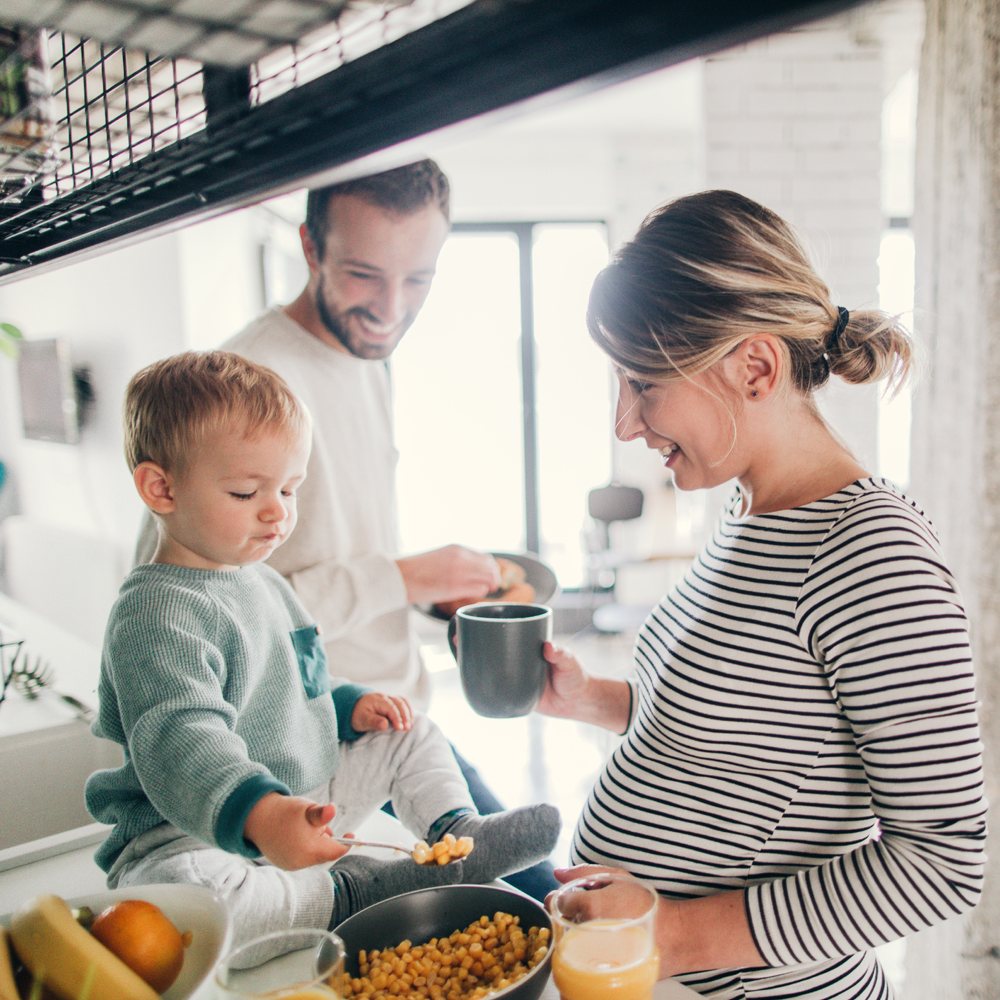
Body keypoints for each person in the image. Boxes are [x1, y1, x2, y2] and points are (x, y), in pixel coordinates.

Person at [537, 190, 987, 998]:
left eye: (643, 384)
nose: (625, 424)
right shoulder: (748, 510)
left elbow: (943, 861)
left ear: (755, 366)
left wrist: (668, 935)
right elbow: (743, 738)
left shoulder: (872, 552)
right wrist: (591, 699)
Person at [87, 350, 560, 960]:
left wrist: (348, 705)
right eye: (244, 491)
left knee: (411, 731)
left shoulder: (264, 581)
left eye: (289, 488)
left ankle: (454, 837)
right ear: (161, 487)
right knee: (194, 899)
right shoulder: (156, 614)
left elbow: (300, 680)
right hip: (188, 834)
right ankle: (352, 893)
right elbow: (182, 739)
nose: (277, 512)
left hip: (300, 797)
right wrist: (259, 814)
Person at [224, 158, 556, 899]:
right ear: (310, 248)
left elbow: (329, 550)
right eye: (365, 275)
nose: (392, 308)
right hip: (315, 757)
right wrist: (402, 578)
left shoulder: (361, 360)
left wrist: (424, 595)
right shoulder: (248, 381)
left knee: (544, 899)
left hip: (399, 723)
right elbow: (226, 616)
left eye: (419, 280)